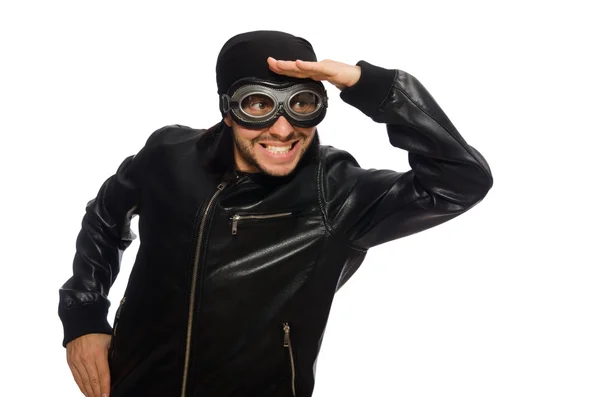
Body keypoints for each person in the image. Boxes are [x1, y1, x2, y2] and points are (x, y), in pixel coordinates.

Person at [58, 30, 493, 397]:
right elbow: (105, 215)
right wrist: (84, 317)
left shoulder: (337, 192)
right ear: (228, 110)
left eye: (301, 104)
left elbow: (461, 181)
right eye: (259, 104)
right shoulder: (167, 155)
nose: (284, 128)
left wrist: (367, 84)